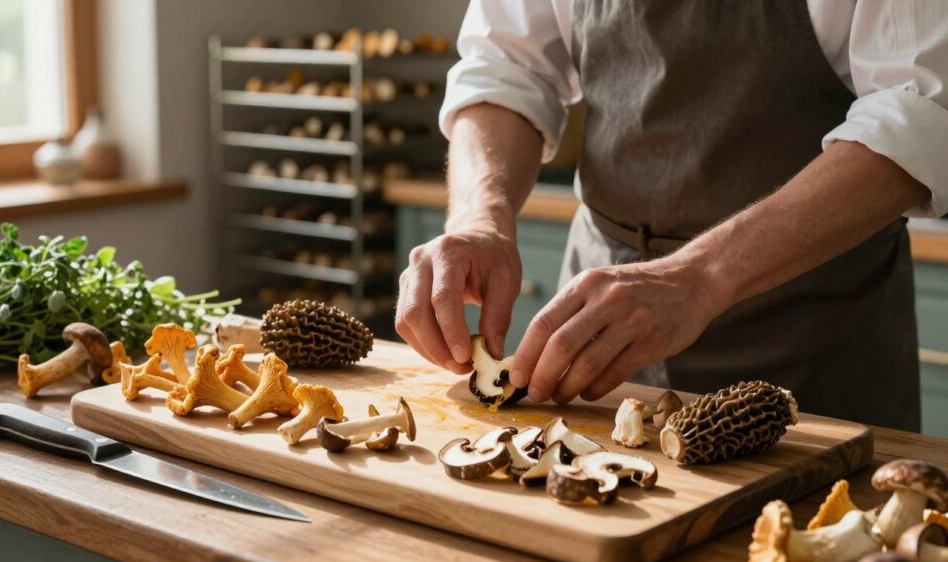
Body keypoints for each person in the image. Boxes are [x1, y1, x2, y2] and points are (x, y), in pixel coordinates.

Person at [395, 0, 948, 431]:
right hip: (595, 340)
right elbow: (504, 67)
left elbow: (920, 109)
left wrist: (699, 275)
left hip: (816, 339)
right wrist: (480, 219)